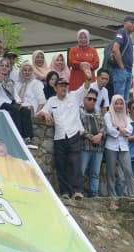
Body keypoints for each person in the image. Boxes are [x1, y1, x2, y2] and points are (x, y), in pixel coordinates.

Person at [39, 69, 93, 200]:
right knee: (60, 165)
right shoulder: (52, 100)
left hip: (73, 135)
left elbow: (85, 87)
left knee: (75, 164)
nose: (64, 88)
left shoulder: (74, 96)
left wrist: (88, 77)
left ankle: (78, 191)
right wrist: (46, 114)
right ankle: (65, 192)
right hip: (59, 137)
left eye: (66, 85)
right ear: (56, 87)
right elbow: (42, 111)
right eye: (61, 85)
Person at [0, 58, 36, 146]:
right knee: (14, 109)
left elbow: (15, 96)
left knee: (25, 110)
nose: (4, 67)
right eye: (2, 65)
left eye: (7, 66)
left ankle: (28, 137)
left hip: (10, 102)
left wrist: (20, 104)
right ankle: (18, 136)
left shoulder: (9, 81)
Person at [103, 94, 134, 197]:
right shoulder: (108, 115)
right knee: (111, 172)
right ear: (112, 104)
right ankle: (112, 196)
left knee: (128, 171)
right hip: (111, 146)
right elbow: (110, 130)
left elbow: (130, 131)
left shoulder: (126, 117)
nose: (119, 106)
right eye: (116, 103)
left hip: (124, 147)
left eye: (121, 104)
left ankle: (132, 195)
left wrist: (118, 128)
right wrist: (122, 130)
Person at [78, 90, 105, 197]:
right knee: (81, 170)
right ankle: (78, 191)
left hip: (98, 148)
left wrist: (100, 135)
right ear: (84, 99)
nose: (92, 101)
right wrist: (91, 137)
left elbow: (104, 127)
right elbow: (78, 127)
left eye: (94, 99)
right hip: (85, 146)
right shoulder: (79, 112)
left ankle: (94, 194)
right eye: (89, 99)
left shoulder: (99, 113)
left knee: (95, 173)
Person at [103, 14, 134, 99]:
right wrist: (122, 67)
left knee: (125, 99)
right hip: (120, 70)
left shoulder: (128, 36)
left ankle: (123, 112)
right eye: (132, 22)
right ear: (125, 23)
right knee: (119, 98)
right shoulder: (121, 32)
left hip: (127, 70)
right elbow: (115, 49)